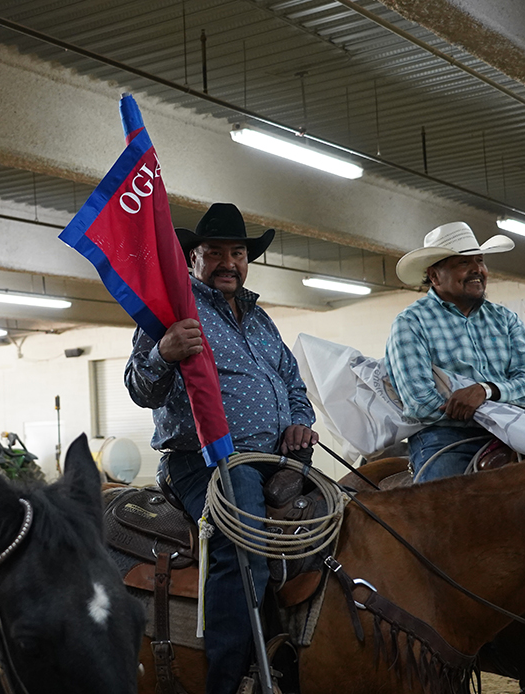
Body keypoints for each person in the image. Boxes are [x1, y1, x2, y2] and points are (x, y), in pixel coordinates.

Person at [125, 203, 317, 694]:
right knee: (241, 541)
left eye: (237, 252)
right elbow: (138, 387)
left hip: (278, 456)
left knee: (335, 524)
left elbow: (293, 384)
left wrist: (299, 423)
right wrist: (163, 352)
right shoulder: (171, 307)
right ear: (194, 257)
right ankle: (231, 680)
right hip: (205, 458)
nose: (228, 262)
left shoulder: (260, 319)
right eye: (215, 252)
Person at [386, 221, 525, 482]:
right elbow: (420, 403)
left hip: (514, 430)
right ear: (434, 276)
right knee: (445, 505)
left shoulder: (506, 319)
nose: (477, 270)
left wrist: (484, 391)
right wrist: (490, 406)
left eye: (480, 261)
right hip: (447, 438)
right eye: (463, 263)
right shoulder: (411, 323)